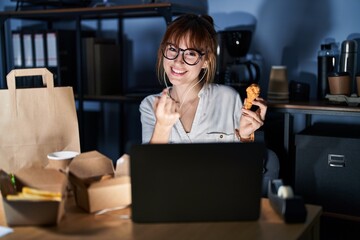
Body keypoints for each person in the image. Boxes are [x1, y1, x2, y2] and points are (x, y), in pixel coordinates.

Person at [140, 13, 267, 144]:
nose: (178, 61)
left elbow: (243, 161)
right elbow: (149, 164)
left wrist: (245, 136)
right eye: (172, 49)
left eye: (190, 53)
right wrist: (162, 125)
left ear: (206, 61)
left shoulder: (228, 98)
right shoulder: (150, 105)